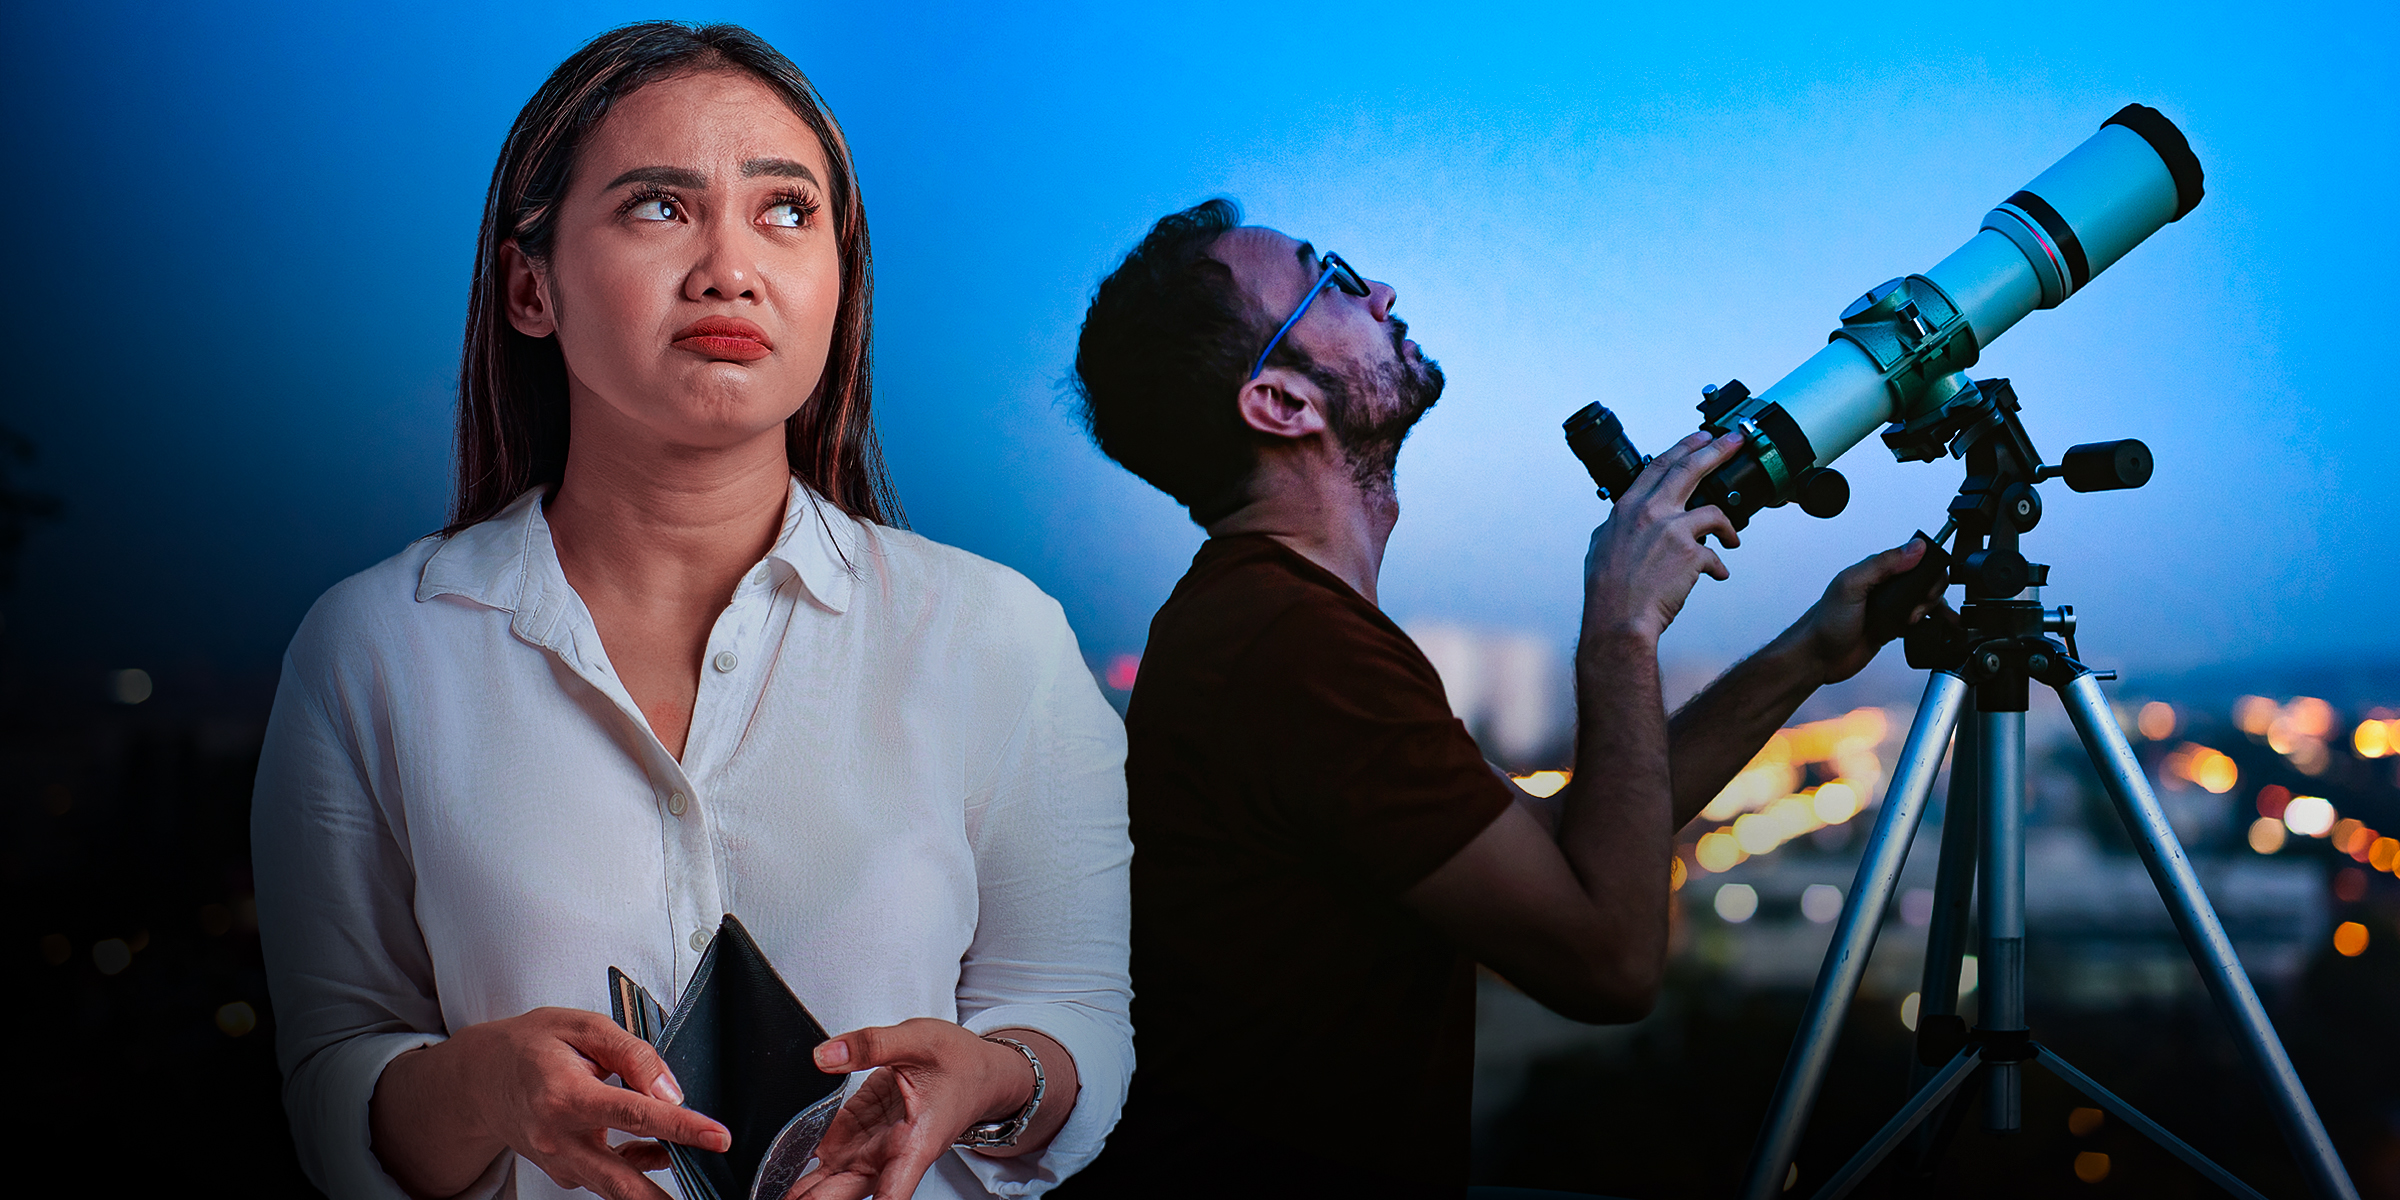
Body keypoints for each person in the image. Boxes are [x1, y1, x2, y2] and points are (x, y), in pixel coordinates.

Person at [250, 24, 1130, 1200]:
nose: (730, 267)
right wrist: (478, 1089)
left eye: (786, 212)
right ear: (530, 286)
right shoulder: (376, 647)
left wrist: (993, 1077)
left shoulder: (998, 635)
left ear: (838, 282)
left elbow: (1075, 1022)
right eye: (658, 208)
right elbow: (333, 1081)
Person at [1058, 200, 1942, 1197]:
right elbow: (1608, 962)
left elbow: (1567, 845)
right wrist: (1620, 624)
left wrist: (1807, 655)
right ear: (1281, 403)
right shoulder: (1292, 649)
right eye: (1334, 279)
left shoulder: (1274, 628)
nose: (1381, 290)